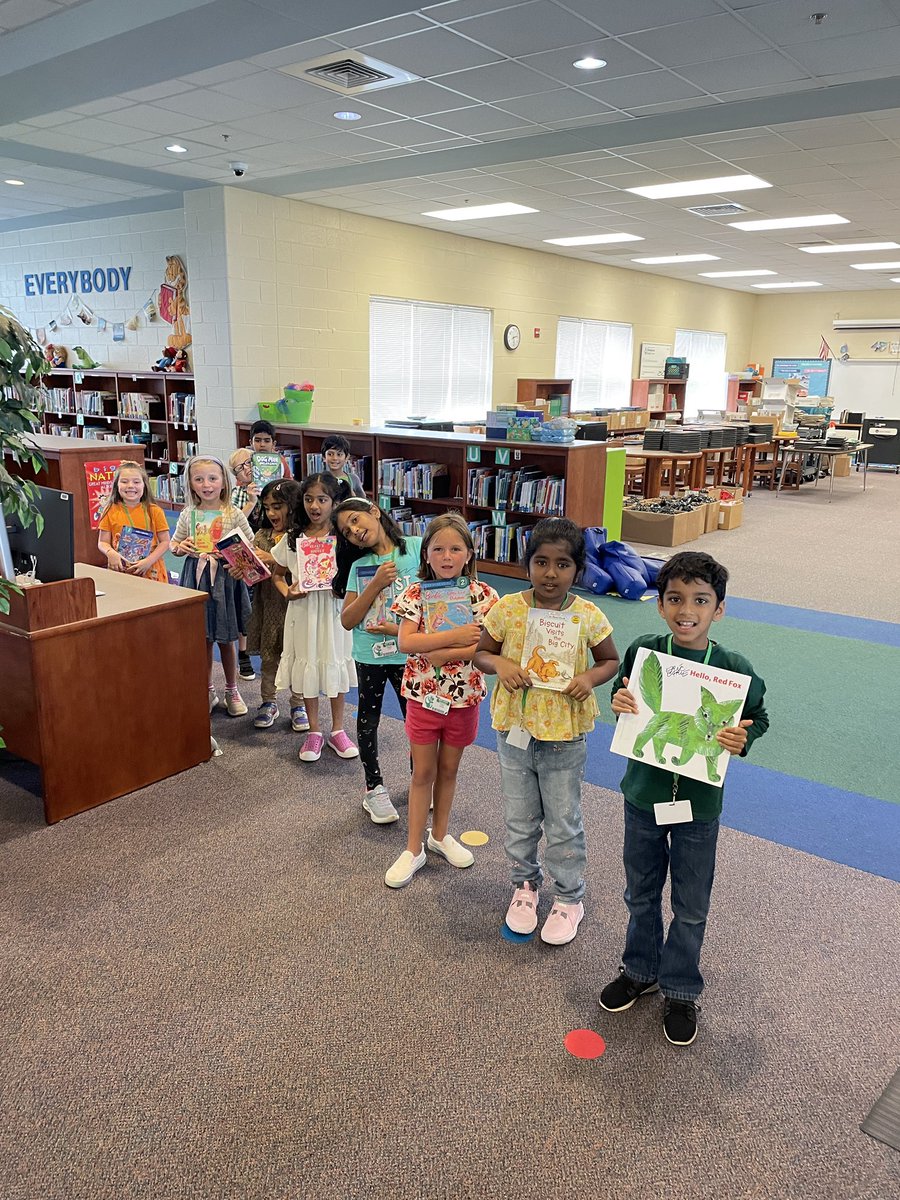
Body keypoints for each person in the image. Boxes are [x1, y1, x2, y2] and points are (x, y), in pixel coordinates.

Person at [599, 550, 768, 1047]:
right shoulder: (644, 652)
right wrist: (619, 703)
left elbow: (758, 717)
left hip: (699, 806)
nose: (686, 610)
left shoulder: (733, 669)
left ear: (719, 608)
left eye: (700, 600)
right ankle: (640, 969)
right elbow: (626, 701)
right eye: (674, 598)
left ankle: (680, 988)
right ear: (660, 604)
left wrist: (744, 737)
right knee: (640, 892)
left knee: (691, 904)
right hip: (642, 796)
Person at [474, 517, 619, 946]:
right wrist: (501, 664)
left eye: (562, 564)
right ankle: (525, 886)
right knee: (519, 819)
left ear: (578, 570)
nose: (550, 573)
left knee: (562, 820)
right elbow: (482, 653)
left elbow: (610, 660)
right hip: (515, 731)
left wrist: (589, 678)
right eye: (541, 562)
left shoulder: (587, 615)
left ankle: (570, 897)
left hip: (564, 736)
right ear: (527, 564)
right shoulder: (507, 609)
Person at [386, 514, 499, 888]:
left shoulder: (485, 596)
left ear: (469, 553)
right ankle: (413, 848)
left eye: (455, 549)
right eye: (438, 549)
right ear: (426, 554)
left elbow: (487, 647)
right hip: (423, 697)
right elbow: (407, 642)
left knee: (449, 770)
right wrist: (452, 639)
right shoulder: (416, 593)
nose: (447, 557)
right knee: (423, 773)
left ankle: (439, 835)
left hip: (464, 698)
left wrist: (439, 651)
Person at [333, 498, 422, 825]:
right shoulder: (360, 566)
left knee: (416, 721)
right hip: (370, 653)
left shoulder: (416, 547)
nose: (354, 530)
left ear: (374, 511)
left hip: (409, 651)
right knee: (368, 719)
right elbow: (347, 619)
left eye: (355, 520)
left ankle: (420, 780)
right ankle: (374, 788)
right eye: (347, 531)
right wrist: (375, 584)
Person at [272, 473, 357, 762]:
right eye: (309, 499)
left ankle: (338, 729)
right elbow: (277, 574)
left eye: (322, 499)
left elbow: (356, 575)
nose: (315, 506)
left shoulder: (344, 537)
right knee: (308, 662)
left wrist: (343, 589)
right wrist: (288, 592)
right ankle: (314, 730)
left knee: (334, 661)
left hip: (334, 612)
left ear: (334, 502)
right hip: (303, 612)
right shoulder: (294, 537)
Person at [171, 455, 252, 717]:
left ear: (224, 482)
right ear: (190, 484)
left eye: (212, 478)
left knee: (226, 638)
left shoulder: (233, 513)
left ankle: (231, 689)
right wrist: (181, 547)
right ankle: (206, 690)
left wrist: (234, 555)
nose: (206, 485)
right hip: (196, 579)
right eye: (199, 479)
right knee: (202, 638)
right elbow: (174, 544)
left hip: (225, 579)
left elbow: (250, 545)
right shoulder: (188, 513)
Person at [242, 478, 309, 733]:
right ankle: (268, 701)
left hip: (297, 608)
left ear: (293, 506)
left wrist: (272, 559)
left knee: (298, 657)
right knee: (269, 657)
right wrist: (242, 567)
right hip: (268, 606)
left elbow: (307, 570)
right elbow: (253, 575)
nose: (271, 513)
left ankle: (299, 703)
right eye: (267, 507)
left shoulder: (302, 538)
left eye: (277, 506)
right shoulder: (262, 536)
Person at [97, 460, 170, 583]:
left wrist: (148, 561)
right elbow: (102, 542)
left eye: (136, 482)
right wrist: (110, 553)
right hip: (121, 567)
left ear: (144, 485)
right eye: (124, 481)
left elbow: (165, 542)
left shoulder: (155, 511)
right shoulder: (109, 510)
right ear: (116, 485)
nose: (130, 486)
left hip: (150, 567)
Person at [228, 447, 261, 680]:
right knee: (246, 605)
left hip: (268, 550)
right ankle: (244, 654)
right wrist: (251, 502)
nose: (248, 468)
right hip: (245, 554)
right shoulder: (236, 494)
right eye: (241, 467)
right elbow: (232, 526)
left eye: (251, 462)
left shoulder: (270, 486)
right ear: (235, 474)